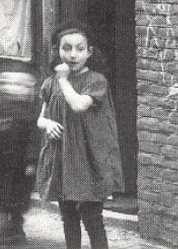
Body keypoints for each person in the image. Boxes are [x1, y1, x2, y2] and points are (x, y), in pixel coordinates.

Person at [36, 23, 123, 249]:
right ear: (58, 51)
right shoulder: (50, 83)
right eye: (66, 48)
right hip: (63, 157)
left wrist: (64, 80)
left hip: (88, 160)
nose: (73, 55)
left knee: (92, 218)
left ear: (89, 52)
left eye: (79, 49)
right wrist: (47, 124)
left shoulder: (96, 81)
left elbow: (78, 105)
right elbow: (40, 118)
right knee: (68, 217)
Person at [0, 61, 40, 245]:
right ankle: (4, 226)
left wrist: (31, 161)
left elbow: (34, 139)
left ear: (30, 88)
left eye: (21, 85)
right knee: (0, 194)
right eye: (10, 84)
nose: (15, 89)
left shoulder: (31, 112)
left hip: (20, 165)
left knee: (17, 197)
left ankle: (15, 229)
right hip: (0, 162)